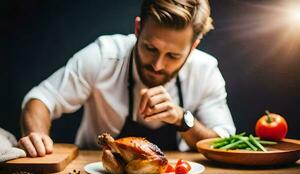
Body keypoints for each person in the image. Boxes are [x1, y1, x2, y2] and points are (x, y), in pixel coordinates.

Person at [19, 0, 236, 157]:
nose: (157, 65)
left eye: (173, 56)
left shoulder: (205, 70)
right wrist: (35, 136)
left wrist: (181, 119)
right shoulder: (104, 55)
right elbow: (41, 99)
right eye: (150, 48)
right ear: (138, 28)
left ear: (193, 48)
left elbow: (222, 143)